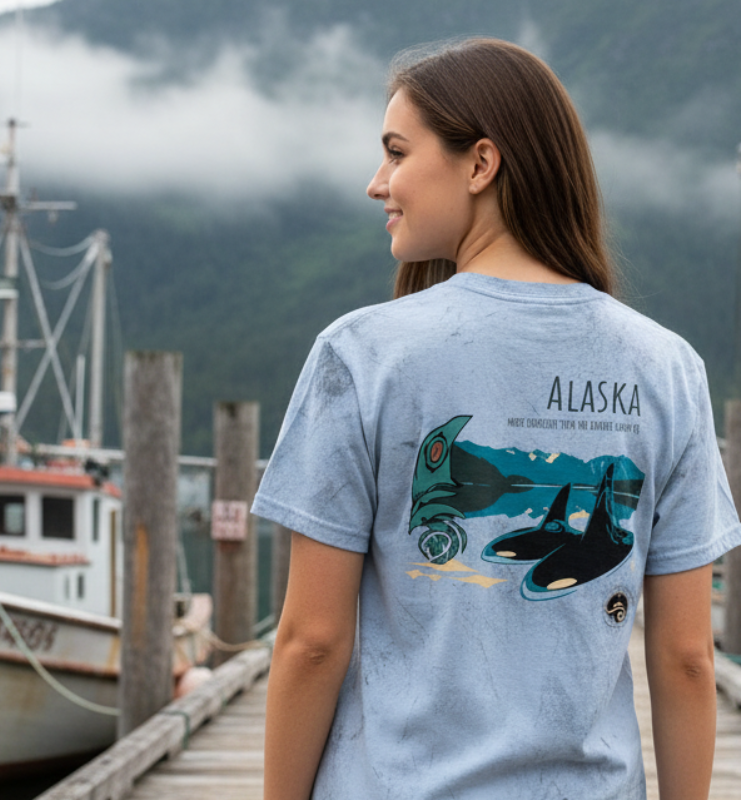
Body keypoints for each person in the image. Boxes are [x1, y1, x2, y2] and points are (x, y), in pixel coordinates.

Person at [251, 37, 741, 800]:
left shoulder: (363, 354)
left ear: (480, 164)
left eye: (396, 152)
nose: (376, 183)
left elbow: (312, 643)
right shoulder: (666, 367)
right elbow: (684, 659)